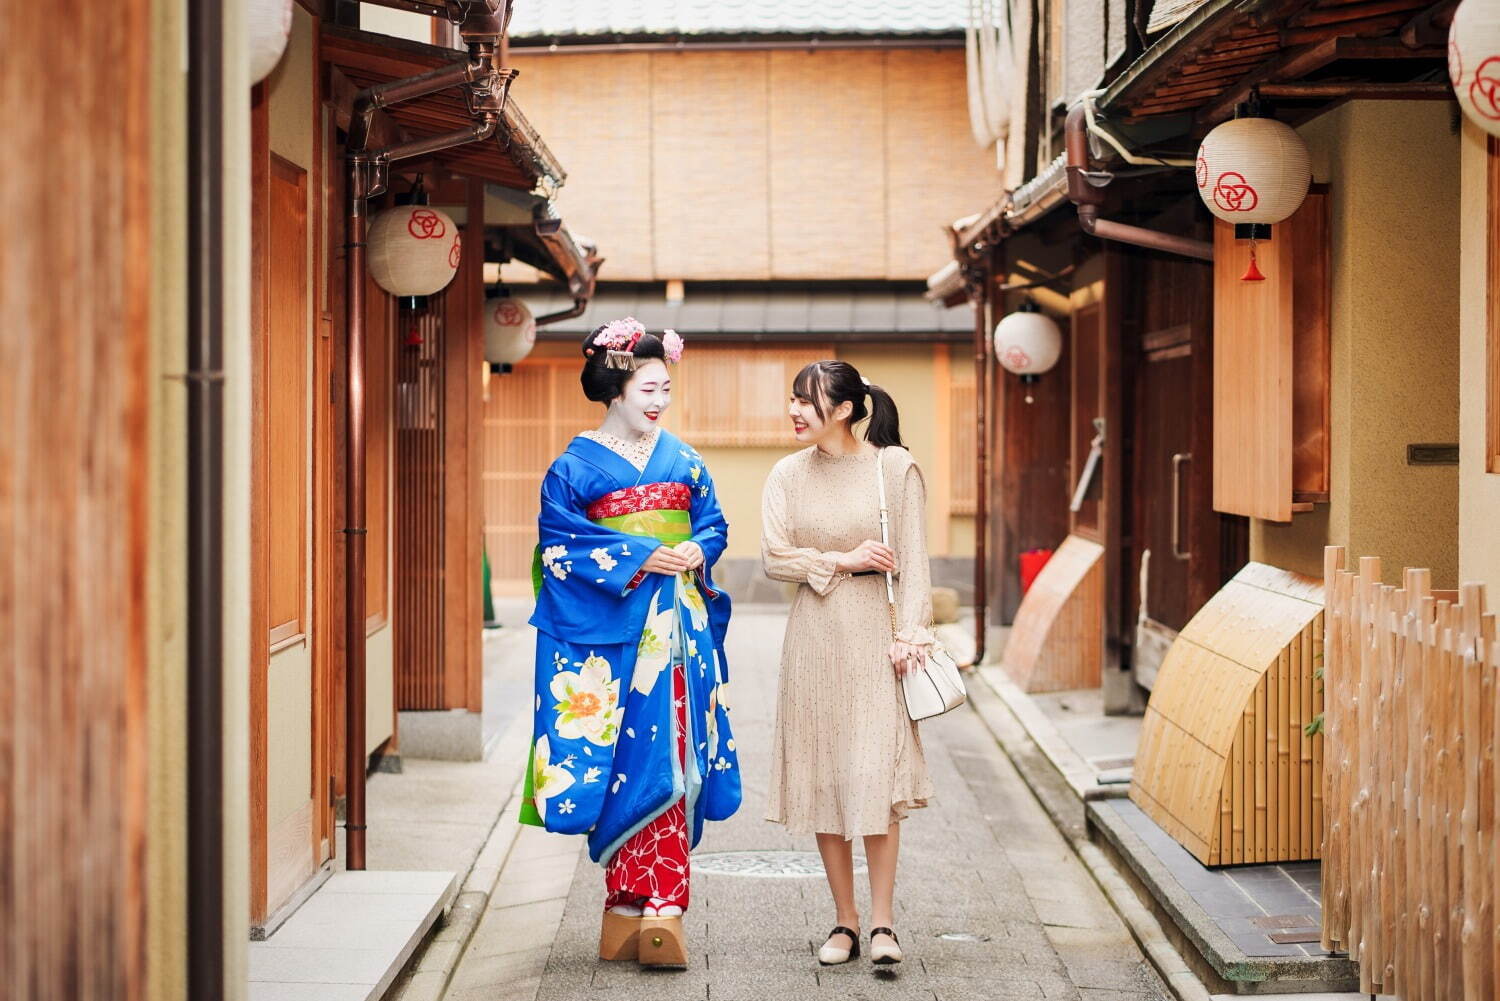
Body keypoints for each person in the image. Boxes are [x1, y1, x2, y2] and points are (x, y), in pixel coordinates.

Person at [523, 318, 741, 969]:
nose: (658, 401)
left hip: (674, 630)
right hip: (613, 631)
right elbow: (559, 545)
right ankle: (624, 896)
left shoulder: (687, 458)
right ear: (614, 387)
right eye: (648, 387)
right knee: (617, 754)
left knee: (671, 750)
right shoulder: (573, 468)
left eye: (666, 388)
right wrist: (644, 555)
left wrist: (696, 549)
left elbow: (715, 523)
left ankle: (663, 903)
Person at [761, 359, 935, 968]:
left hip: (876, 645)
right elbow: (774, 559)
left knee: (876, 780)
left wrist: (911, 636)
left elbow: (914, 560)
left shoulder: (893, 468)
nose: (794, 411)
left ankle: (884, 924)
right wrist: (843, 558)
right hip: (813, 642)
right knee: (826, 777)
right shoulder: (786, 473)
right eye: (792, 398)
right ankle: (846, 922)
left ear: (842, 409)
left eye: (806, 401)